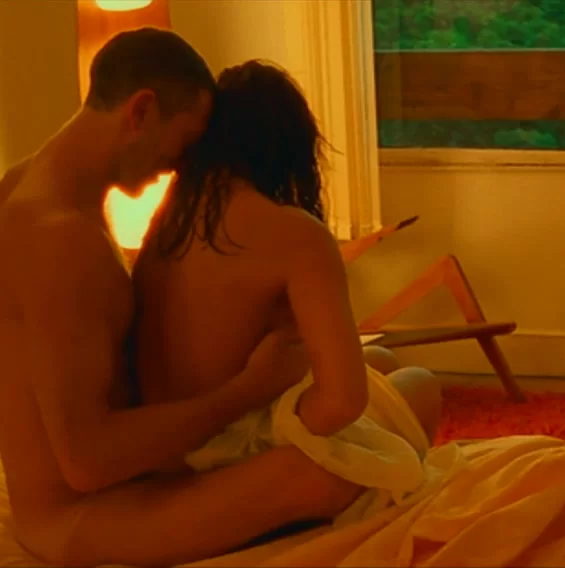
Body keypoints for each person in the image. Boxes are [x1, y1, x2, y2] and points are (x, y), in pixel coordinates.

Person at [0, 29, 363, 567]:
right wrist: (246, 391)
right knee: (327, 474)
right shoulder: (63, 241)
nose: (179, 167)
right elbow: (88, 463)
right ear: (141, 112)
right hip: (81, 517)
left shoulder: (15, 188)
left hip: (83, 495)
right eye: (185, 142)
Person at [134, 59, 443, 446]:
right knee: (420, 383)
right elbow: (342, 404)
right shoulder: (295, 233)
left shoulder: (169, 217)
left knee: (381, 361)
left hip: (173, 429)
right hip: (229, 438)